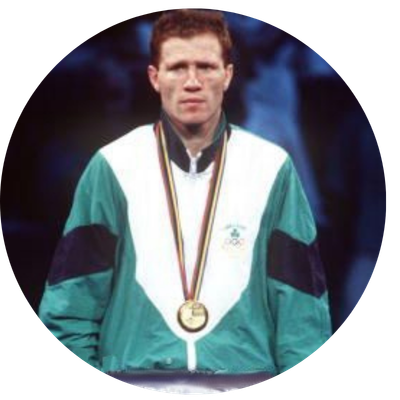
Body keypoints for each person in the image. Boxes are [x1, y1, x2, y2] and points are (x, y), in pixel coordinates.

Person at [38, 8, 332, 389]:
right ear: (154, 77)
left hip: (246, 377)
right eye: (177, 67)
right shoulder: (113, 165)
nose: (192, 81)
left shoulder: (272, 167)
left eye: (206, 67)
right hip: (134, 376)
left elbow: (302, 311)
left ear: (227, 75)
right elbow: (71, 304)